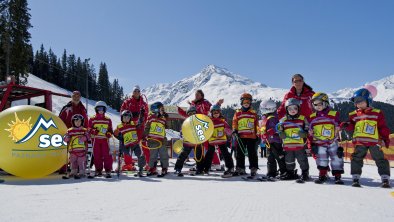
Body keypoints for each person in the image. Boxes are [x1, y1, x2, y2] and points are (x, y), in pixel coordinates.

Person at [341, 88, 391, 188]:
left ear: (368, 100)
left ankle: (385, 178)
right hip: (359, 142)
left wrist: (385, 138)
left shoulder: (377, 113)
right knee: (356, 159)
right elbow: (352, 126)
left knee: (380, 159)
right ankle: (356, 177)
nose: (358, 104)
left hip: (374, 142)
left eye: (360, 101)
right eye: (356, 102)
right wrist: (346, 124)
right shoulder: (353, 114)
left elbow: (382, 127)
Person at [177, 89, 224, 170]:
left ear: (202, 95)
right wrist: (180, 111)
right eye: (196, 94)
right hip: (195, 128)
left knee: (208, 145)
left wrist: (218, 104)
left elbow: (213, 109)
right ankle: (200, 164)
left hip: (204, 126)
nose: (196, 96)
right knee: (198, 147)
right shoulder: (193, 104)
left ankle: (216, 163)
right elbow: (188, 115)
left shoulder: (205, 102)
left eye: (198, 94)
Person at [309, 93, 344, 185]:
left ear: (326, 103)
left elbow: (338, 124)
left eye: (320, 103)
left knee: (336, 158)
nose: (318, 106)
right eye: (315, 104)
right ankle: (322, 174)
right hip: (319, 142)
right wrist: (310, 133)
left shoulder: (333, 114)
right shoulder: (312, 117)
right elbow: (310, 128)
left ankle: (337, 176)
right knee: (321, 159)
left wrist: (339, 127)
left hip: (332, 141)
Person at [278, 98, 310, 183]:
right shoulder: (283, 120)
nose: (292, 110)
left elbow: (307, 127)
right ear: (286, 109)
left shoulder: (302, 119)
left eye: (295, 108)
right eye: (290, 109)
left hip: (299, 145)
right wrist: (281, 134)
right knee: (289, 160)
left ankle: (305, 173)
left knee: (302, 159)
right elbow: (279, 129)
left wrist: (305, 133)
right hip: (288, 145)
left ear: (298, 109)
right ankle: (290, 173)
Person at [58, 90, 88, 173]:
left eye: (78, 96)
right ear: (71, 97)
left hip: (80, 134)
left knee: (80, 151)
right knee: (66, 151)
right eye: (74, 96)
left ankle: (80, 168)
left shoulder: (83, 108)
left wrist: (86, 133)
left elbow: (86, 121)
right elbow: (60, 120)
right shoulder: (66, 108)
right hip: (68, 133)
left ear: (80, 97)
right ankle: (64, 168)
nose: (76, 97)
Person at [120, 85, 149, 169]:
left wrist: (142, 119)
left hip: (140, 127)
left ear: (140, 93)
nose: (136, 92)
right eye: (135, 91)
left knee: (144, 143)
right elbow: (122, 113)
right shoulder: (127, 102)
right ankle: (128, 163)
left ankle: (148, 163)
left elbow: (146, 114)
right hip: (129, 128)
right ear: (132, 92)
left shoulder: (143, 103)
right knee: (128, 144)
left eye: (138, 91)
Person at [232, 93, 259, 178]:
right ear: (241, 103)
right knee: (240, 153)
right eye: (244, 102)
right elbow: (234, 122)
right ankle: (240, 168)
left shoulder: (253, 113)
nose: (246, 104)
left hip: (251, 136)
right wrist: (235, 129)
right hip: (241, 136)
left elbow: (256, 124)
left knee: (252, 153)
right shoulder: (238, 113)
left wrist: (258, 132)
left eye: (248, 102)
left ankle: (253, 168)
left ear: (250, 103)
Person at [259, 99, 286, 180]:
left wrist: (269, 132)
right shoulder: (265, 118)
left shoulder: (273, 118)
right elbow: (264, 129)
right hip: (268, 141)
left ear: (268, 109)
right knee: (270, 157)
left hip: (275, 141)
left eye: (263, 108)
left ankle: (283, 171)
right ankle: (271, 172)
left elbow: (277, 128)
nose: (261, 110)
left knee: (279, 156)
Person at [204, 105, 235, 177]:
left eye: (217, 112)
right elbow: (205, 130)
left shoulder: (223, 121)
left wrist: (229, 132)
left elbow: (228, 129)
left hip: (221, 140)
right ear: (211, 113)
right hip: (212, 140)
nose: (216, 114)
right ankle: (206, 168)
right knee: (209, 154)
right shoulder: (209, 122)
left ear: (220, 113)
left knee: (225, 154)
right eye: (214, 113)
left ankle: (230, 167)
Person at [174, 106, 205, 176]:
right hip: (187, 142)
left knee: (199, 156)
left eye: (193, 113)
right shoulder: (186, 122)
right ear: (187, 115)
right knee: (183, 155)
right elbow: (182, 132)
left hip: (197, 142)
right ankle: (178, 168)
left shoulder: (199, 122)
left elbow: (202, 131)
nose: (192, 115)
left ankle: (200, 169)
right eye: (190, 113)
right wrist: (183, 135)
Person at [114, 110, 146, 176]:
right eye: (124, 117)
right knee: (126, 154)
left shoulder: (133, 123)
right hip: (126, 144)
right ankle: (122, 165)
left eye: (128, 118)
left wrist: (141, 116)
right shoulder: (120, 126)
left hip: (135, 143)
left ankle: (141, 168)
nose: (126, 119)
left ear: (130, 118)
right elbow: (115, 133)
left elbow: (139, 122)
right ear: (122, 118)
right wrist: (119, 137)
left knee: (139, 155)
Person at [144, 102, 170, 177]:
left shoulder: (163, 118)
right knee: (153, 156)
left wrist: (166, 118)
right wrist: (144, 136)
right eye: (161, 109)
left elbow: (167, 126)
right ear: (156, 109)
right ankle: (152, 168)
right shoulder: (151, 117)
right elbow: (147, 127)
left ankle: (164, 168)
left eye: (163, 109)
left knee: (164, 155)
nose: (163, 110)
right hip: (152, 141)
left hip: (162, 141)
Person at [89, 101, 114, 178]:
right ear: (96, 109)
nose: (100, 110)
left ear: (105, 109)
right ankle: (98, 169)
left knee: (107, 155)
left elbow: (110, 129)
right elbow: (89, 128)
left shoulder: (108, 119)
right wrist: (93, 131)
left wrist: (109, 134)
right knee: (97, 155)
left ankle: (108, 169)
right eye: (99, 108)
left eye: (102, 108)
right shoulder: (92, 119)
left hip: (104, 140)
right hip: (96, 140)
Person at [63, 114, 90, 179]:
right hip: (72, 150)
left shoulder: (84, 130)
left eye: (79, 121)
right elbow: (66, 137)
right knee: (73, 161)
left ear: (82, 122)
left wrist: (84, 137)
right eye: (76, 121)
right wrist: (66, 138)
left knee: (81, 161)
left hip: (82, 150)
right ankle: (73, 172)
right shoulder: (70, 130)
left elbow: (88, 137)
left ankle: (82, 172)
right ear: (73, 122)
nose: (78, 123)